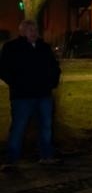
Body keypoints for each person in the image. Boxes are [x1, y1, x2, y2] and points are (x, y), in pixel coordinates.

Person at [0, 18, 62, 167]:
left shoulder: (44, 47)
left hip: (43, 94)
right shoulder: (12, 48)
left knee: (45, 126)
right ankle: (12, 159)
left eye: (35, 30)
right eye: (30, 30)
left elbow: (54, 67)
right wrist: (16, 83)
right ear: (22, 32)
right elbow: (3, 69)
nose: (33, 33)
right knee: (19, 127)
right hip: (22, 95)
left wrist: (52, 82)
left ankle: (46, 155)